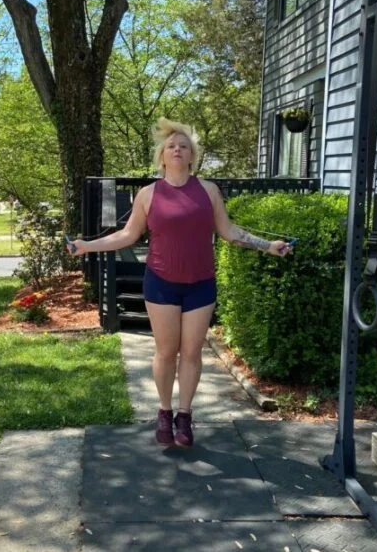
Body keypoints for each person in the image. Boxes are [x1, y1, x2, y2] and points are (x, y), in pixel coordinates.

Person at [67, 118, 291, 447]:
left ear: (191, 156)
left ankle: (184, 416)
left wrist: (267, 245)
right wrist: (87, 245)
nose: (176, 149)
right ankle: (164, 411)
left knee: (191, 353)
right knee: (165, 352)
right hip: (161, 284)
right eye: (171, 145)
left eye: (183, 146)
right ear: (162, 156)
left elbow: (229, 232)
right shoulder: (147, 195)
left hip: (200, 285)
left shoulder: (208, 191)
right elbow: (127, 235)